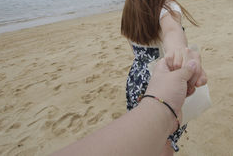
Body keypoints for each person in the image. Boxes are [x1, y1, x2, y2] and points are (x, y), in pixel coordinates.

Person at [121, 0, 201, 155]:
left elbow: (170, 33)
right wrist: (177, 50)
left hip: (135, 82)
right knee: (164, 140)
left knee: (145, 137)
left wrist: (175, 45)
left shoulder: (131, 9)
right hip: (159, 82)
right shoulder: (167, 8)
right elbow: (172, 31)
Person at [52, 56, 207, 156]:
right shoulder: (167, 9)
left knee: (144, 128)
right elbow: (173, 36)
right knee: (163, 136)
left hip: (137, 77)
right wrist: (184, 55)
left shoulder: (130, 11)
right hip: (160, 75)